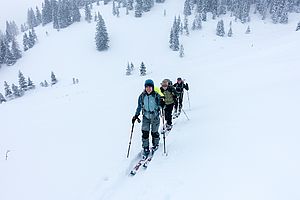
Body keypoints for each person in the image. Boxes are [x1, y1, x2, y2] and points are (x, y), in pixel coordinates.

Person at [132, 79, 162, 158]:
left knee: (154, 132)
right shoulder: (142, 96)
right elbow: (139, 107)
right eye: (147, 87)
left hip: (155, 116)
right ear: (145, 87)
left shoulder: (156, 95)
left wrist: (162, 103)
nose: (148, 88)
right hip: (146, 116)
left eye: (150, 87)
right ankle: (145, 148)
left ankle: (155, 145)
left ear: (152, 87)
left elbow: (161, 105)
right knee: (145, 132)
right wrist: (136, 115)